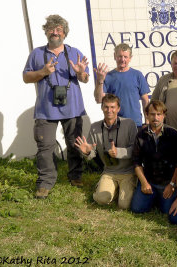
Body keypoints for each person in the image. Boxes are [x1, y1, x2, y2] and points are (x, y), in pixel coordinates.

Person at [23, 14, 90, 199]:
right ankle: (45, 182)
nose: (55, 32)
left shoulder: (75, 51)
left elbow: (85, 79)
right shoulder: (37, 53)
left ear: (64, 33)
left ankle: (75, 176)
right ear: (46, 31)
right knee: (45, 147)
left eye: (59, 29)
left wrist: (81, 73)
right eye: (51, 29)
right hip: (46, 110)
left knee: (75, 143)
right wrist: (42, 72)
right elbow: (26, 77)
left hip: (73, 108)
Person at [74, 94, 137, 209]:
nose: (109, 110)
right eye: (106, 107)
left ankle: (119, 190)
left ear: (118, 109)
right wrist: (87, 152)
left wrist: (118, 152)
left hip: (128, 172)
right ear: (102, 108)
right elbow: (92, 153)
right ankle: (109, 189)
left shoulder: (129, 124)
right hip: (109, 171)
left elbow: (136, 150)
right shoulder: (94, 127)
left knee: (124, 205)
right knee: (101, 200)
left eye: (113, 107)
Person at [131, 100, 177, 214]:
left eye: (159, 114)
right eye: (152, 114)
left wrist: (172, 184)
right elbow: (136, 162)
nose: (156, 117)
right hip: (149, 181)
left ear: (164, 115)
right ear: (147, 115)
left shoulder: (174, 134)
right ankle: (153, 197)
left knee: (167, 211)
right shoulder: (141, 135)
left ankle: (159, 198)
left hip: (168, 182)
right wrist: (144, 183)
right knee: (137, 209)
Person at [94, 43, 150, 128]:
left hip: (135, 123)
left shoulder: (137, 75)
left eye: (125, 57)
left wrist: (147, 121)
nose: (122, 59)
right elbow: (99, 99)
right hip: (115, 124)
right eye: (120, 56)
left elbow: (145, 100)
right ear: (114, 56)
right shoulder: (108, 76)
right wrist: (100, 80)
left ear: (130, 58)